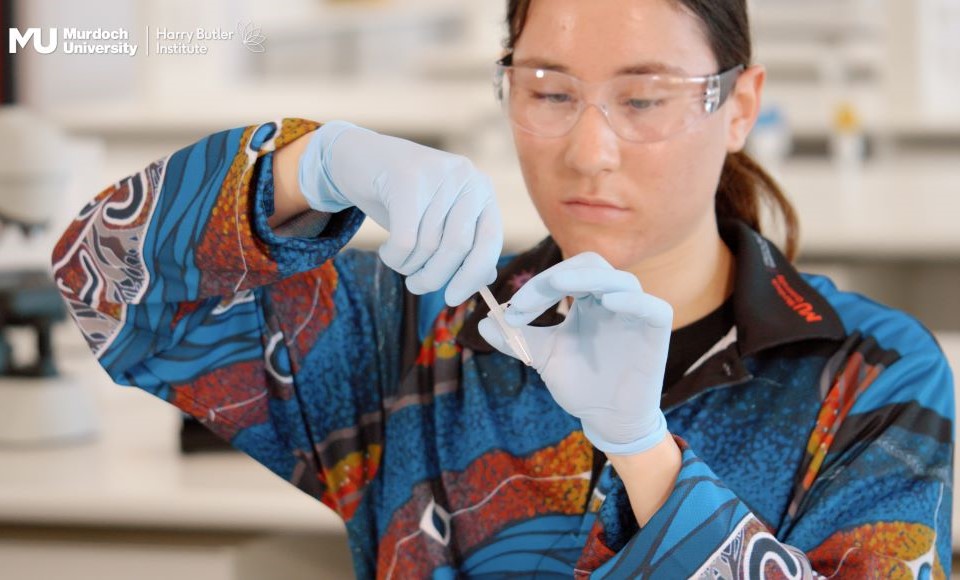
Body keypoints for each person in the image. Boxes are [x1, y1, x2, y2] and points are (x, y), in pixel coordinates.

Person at [51, 0, 953, 577]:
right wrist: (306, 168)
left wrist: (647, 456)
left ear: (741, 104)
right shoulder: (410, 328)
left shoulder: (872, 378)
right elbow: (104, 282)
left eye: (644, 100)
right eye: (549, 91)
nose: (588, 150)